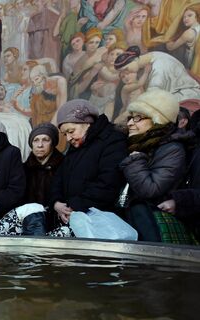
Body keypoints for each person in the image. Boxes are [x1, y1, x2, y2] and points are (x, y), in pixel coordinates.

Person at [119, 90, 192, 243]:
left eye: (138, 117)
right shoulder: (140, 143)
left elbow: (150, 189)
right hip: (133, 221)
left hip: (151, 226)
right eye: (131, 117)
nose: (130, 123)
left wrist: (135, 159)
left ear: (157, 119)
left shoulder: (172, 149)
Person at [51, 99, 127, 225]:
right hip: (74, 217)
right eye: (65, 134)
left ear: (87, 123)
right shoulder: (76, 145)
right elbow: (59, 178)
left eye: (71, 131)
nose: (68, 138)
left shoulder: (112, 140)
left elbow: (109, 182)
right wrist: (56, 203)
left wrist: (75, 206)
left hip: (99, 221)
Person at [24, 123, 64, 231]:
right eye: (35, 140)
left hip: (58, 224)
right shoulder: (24, 169)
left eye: (45, 140)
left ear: (53, 143)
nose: (40, 145)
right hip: (30, 226)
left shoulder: (64, 165)